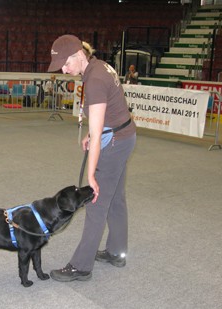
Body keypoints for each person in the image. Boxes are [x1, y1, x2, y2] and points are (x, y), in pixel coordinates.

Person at [47, 34, 137, 282]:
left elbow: (98, 136)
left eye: (65, 64)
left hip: (115, 142)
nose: (64, 71)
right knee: (115, 199)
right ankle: (117, 252)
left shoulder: (95, 78)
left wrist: (91, 177)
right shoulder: (97, 66)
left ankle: (81, 266)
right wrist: (91, 132)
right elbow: (109, 111)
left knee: (96, 202)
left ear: (78, 54)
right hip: (123, 135)